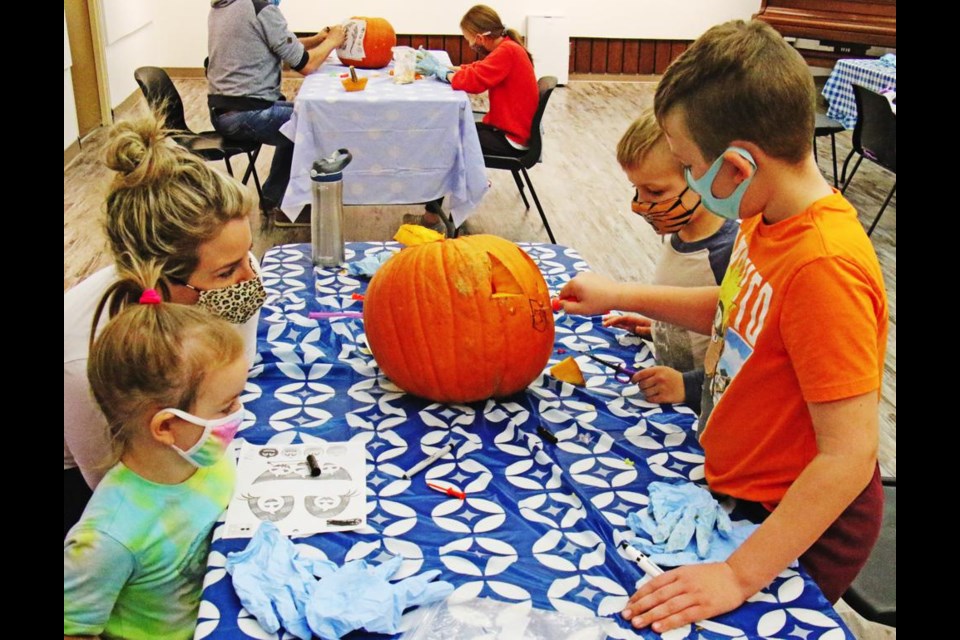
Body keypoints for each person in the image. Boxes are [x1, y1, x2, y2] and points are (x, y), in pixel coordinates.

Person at [559, 20, 886, 632]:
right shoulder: (769, 217)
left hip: (802, 521)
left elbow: (846, 457)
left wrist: (738, 574)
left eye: (687, 163)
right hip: (745, 482)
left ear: (736, 166)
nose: (687, 176)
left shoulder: (825, 268)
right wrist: (622, 296)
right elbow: (736, 307)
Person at [64, 115, 265, 536]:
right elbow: (117, 484)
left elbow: (233, 377)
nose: (251, 278)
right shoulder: (82, 356)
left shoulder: (236, 276)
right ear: (159, 280)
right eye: (228, 271)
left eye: (250, 255)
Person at [64, 266, 246, 640]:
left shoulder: (205, 459)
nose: (240, 412)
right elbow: (74, 630)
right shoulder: (108, 539)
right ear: (165, 426)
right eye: (226, 406)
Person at [604, 110, 737, 412]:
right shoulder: (678, 234)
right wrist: (659, 327)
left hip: (703, 412)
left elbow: (742, 360)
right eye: (635, 189)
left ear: (702, 175)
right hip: (670, 395)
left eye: (655, 191)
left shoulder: (728, 256)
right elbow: (695, 314)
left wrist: (688, 386)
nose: (639, 204)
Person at [206, 0, 345, 223]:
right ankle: (285, 205)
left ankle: (274, 197)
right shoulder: (259, 7)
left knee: (300, 115)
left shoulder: (226, 6)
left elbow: (279, 45)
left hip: (225, 110)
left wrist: (318, 40)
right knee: (309, 122)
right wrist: (332, 41)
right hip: (245, 113)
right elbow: (306, 66)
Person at [414, 4, 538, 232]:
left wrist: (442, 72)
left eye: (469, 39)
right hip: (510, 130)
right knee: (451, 134)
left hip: (511, 139)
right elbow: (478, 69)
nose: (470, 44)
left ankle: (439, 212)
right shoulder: (507, 48)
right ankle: (443, 206)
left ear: (480, 37)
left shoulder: (507, 52)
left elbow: (473, 82)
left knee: (447, 142)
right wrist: (446, 67)